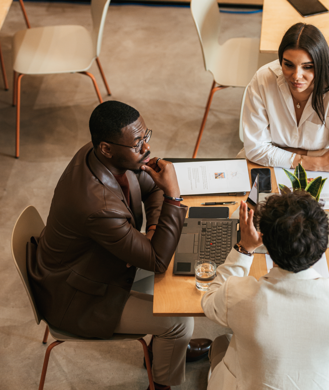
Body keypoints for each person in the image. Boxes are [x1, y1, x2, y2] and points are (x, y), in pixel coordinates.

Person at [27, 101, 211, 390]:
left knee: (179, 270)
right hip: (79, 297)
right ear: (106, 148)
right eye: (138, 143)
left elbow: (151, 188)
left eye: (145, 136)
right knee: (179, 320)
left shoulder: (107, 156)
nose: (147, 148)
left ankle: (164, 353)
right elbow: (157, 260)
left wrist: (152, 229)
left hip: (93, 266)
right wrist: (174, 196)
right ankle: (160, 383)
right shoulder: (96, 204)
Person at [202, 193, 329, 390]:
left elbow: (210, 300)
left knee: (221, 341)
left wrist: (245, 248)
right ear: (323, 245)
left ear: (266, 244)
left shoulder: (238, 295)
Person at [242, 23, 329, 172]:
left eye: (307, 66)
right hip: (270, 167)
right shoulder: (263, 79)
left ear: (320, 64)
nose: (296, 76)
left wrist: (281, 151)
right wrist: (316, 161)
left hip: (282, 164)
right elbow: (254, 150)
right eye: (288, 65)